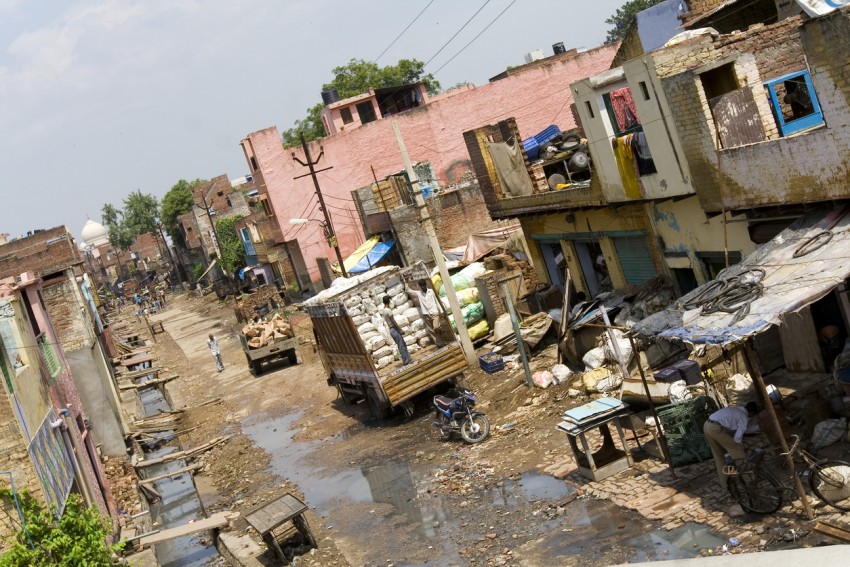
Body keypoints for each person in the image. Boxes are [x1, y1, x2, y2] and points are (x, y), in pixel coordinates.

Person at [703, 402, 760, 485]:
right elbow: (738, 437)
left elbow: (744, 429)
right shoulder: (743, 416)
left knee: (718, 456)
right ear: (752, 413)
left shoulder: (738, 410)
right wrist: (739, 447)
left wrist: (757, 428)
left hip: (707, 425)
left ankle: (725, 484)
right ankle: (749, 480)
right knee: (739, 453)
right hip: (715, 429)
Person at [410, 279, 444, 346]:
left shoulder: (431, 292)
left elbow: (436, 300)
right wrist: (404, 281)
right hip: (426, 314)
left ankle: (440, 330)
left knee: (436, 327)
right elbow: (409, 291)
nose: (423, 287)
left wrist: (441, 311)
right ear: (420, 286)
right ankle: (439, 344)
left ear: (426, 285)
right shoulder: (419, 293)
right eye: (421, 286)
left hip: (434, 312)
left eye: (423, 285)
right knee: (431, 330)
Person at [382, 296, 411, 366]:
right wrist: (400, 329)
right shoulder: (388, 310)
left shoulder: (383, 311)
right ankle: (406, 360)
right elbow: (393, 320)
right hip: (394, 329)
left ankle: (408, 358)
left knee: (402, 344)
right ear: (389, 301)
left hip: (391, 330)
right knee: (401, 345)